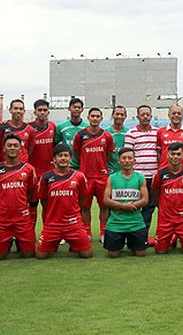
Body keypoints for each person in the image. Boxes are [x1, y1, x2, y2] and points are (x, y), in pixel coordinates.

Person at [35, 143, 93, 259]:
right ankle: (53, 243)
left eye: (66, 156)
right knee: (40, 255)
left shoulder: (79, 176)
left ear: (70, 158)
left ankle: (74, 243)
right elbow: (44, 201)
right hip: (53, 224)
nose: (63, 158)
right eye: (60, 156)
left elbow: (82, 199)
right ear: (54, 159)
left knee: (87, 254)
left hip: (73, 224)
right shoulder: (46, 178)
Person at [0, 134, 38, 259]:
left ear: (20, 149)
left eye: (15, 145)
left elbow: (32, 191)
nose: (12, 148)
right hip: (3, 217)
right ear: (4, 149)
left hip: (22, 216)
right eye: (9, 145)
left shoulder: (28, 169)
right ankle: (8, 241)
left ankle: (18, 240)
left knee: (28, 254)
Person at [72, 107, 114, 241]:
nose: (95, 118)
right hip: (86, 177)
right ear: (88, 118)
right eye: (93, 116)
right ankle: (87, 232)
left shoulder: (106, 136)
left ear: (101, 118)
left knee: (104, 205)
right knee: (85, 206)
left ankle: (103, 232)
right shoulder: (80, 135)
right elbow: (77, 154)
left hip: (102, 176)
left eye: (98, 116)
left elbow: (108, 155)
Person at [151, 142, 183, 254]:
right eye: (172, 154)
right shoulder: (159, 174)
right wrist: (162, 208)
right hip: (165, 219)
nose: (175, 157)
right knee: (160, 251)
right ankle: (173, 237)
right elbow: (155, 194)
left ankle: (177, 235)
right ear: (167, 155)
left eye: (178, 154)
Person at [103, 148, 150, 258]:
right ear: (119, 161)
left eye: (130, 158)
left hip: (136, 223)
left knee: (141, 253)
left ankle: (132, 243)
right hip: (116, 223)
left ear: (135, 161)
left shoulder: (140, 177)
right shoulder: (112, 178)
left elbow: (145, 200)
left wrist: (130, 206)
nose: (127, 161)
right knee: (112, 255)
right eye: (124, 158)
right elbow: (106, 200)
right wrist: (123, 206)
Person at [124, 104, 159, 228]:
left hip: (154, 176)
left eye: (147, 114)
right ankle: (132, 234)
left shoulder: (157, 132)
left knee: (150, 208)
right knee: (134, 206)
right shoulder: (131, 133)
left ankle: (143, 236)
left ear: (151, 116)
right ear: (137, 116)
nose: (145, 117)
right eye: (142, 114)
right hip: (138, 177)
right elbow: (127, 156)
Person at [54, 97, 87, 168]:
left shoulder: (87, 127)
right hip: (67, 166)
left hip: (83, 166)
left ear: (82, 110)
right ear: (69, 109)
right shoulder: (61, 127)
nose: (77, 109)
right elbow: (54, 145)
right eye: (74, 107)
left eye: (79, 107)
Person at [0, 99, 33, 163]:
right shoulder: (2, 127)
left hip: (23, 166)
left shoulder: (30, 129)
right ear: (10, 110)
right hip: (6, 165)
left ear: (24, 111)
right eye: (15, 108)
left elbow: (30, 150)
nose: (18, 111)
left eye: (21, 109)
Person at [28, 99, 56, 174]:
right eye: (39, 110)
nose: (42, 112)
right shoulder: (29, 127)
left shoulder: (52, 126)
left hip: (50, 168)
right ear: (35, 112)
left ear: (48, 112)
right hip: (33, 168)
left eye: (45, 110)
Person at [106, 105, 129, 174]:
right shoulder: (106, 133)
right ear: (112, 115)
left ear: (125, 116)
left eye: (122, 114)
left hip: (126, 172)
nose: (119, 116)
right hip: (110, 172)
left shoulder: (129, 133)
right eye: (117, 114)